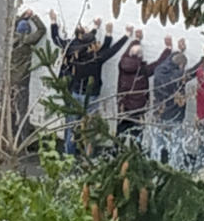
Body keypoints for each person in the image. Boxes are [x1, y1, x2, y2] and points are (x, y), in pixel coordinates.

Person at [50, 11, 128, 155]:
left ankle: (69, 153)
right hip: (91, 95)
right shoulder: (96, 59)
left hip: (75, 92)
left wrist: (53, 22)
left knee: (71, 125)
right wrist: (123, 36)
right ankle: (88, 155)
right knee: (90, 126)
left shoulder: (73, 52)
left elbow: (58, 39)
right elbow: (109, 50)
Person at [116, 34, 173, 141]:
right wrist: (168, 49)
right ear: (140, 57)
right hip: (138, 109)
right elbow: (158, 64)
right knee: (136, 135)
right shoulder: (142, 71)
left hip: (123, 106)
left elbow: (126, 53)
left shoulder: (122, 65)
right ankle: (135, 154)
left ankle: (116, 153)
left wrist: (136, 40)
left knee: (120, 134)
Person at [11, 8, 46, 143]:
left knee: (13, 106)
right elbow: (42, 30)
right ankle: (23, 137)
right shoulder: (26, 41)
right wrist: (34, 17)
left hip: (11, 79)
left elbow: (13, 24)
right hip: (22, 80)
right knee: (22, 108)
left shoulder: (11, 39)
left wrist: (22, 17)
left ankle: (11, 129)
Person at [151, 43, 188, 164]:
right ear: (181, 65)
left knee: (157, 143)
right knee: (176, 145)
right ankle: (175, 168)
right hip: (174, 115)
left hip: (159, 113)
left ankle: (154, 166)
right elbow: (192, 73)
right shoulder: (177, 76)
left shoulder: (159, 70)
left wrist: (179, 51)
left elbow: (169, 60)